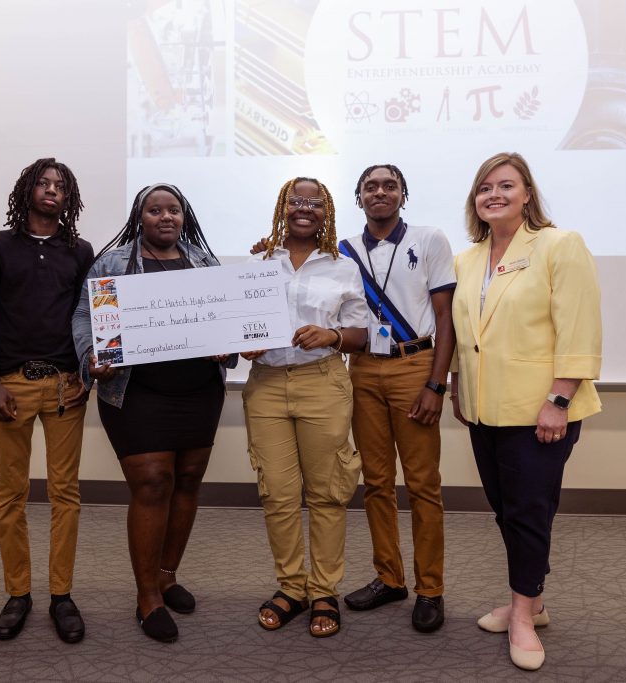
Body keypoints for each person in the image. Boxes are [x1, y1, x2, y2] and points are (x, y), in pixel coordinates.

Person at [450, 152, 602, 671]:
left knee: (528, 512)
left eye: (506, 185)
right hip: (483, 409)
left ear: (527, 194)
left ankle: (521, 614)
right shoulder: (467, 258)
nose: (493, 194)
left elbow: (578, 329)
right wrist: (456, 386)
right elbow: (465, 334)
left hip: (541, 409)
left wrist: (558, 399)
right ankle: (531, 601)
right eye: (484, 187)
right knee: (505, 509)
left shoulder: (559, 245)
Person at [70, 183, 234, 643]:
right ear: (139, 218)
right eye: (155, 210)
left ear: (184, 217)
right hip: (136, 393)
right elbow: (85, 317)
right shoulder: (113, 263)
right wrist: (92, 357)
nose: (166, 217)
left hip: (199, 391)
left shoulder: (203, 261)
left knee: (187, 479)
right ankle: (148, 597)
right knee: (153, 481)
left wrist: (229, 343)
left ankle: (167, 574)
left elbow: (223, 317)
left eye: (174, 210)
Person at [243, 177, 369, 638]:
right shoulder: (257, 261)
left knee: (328, 492)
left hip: (323, 382)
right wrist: (245, 345)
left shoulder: (342, 267)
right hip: (268, 385)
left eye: (314, 203)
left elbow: (360, 332)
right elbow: (239, 327)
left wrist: (332, 335)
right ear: (282, 206)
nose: (304, 209)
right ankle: (291, 587)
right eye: (295, 201)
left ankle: (323, 591)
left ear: (327, 212)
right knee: (276, 492)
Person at [0, 159, 94, 644]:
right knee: (12, 495)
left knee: (65, 494)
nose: (50, 191)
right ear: (26, 190)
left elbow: (91, 315)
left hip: (68, 385)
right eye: (42, 184)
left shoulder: (79, 250)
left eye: (60, 187)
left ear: (69, 199)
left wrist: (87, 369)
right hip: (14, 384)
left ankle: (61, 595)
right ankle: (18, 593)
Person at [339, 165, 456, 633]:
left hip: (415, 366)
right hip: (364, 368)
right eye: (371, 186)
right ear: (359, 197)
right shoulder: (344, 253)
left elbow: (445, 318)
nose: (380, 192)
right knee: (377, 482)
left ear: (403, 194)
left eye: (390, 185)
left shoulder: (429, 240)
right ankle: (390, 577)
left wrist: (436, 384)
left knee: (423, 484)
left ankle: (431, 588)